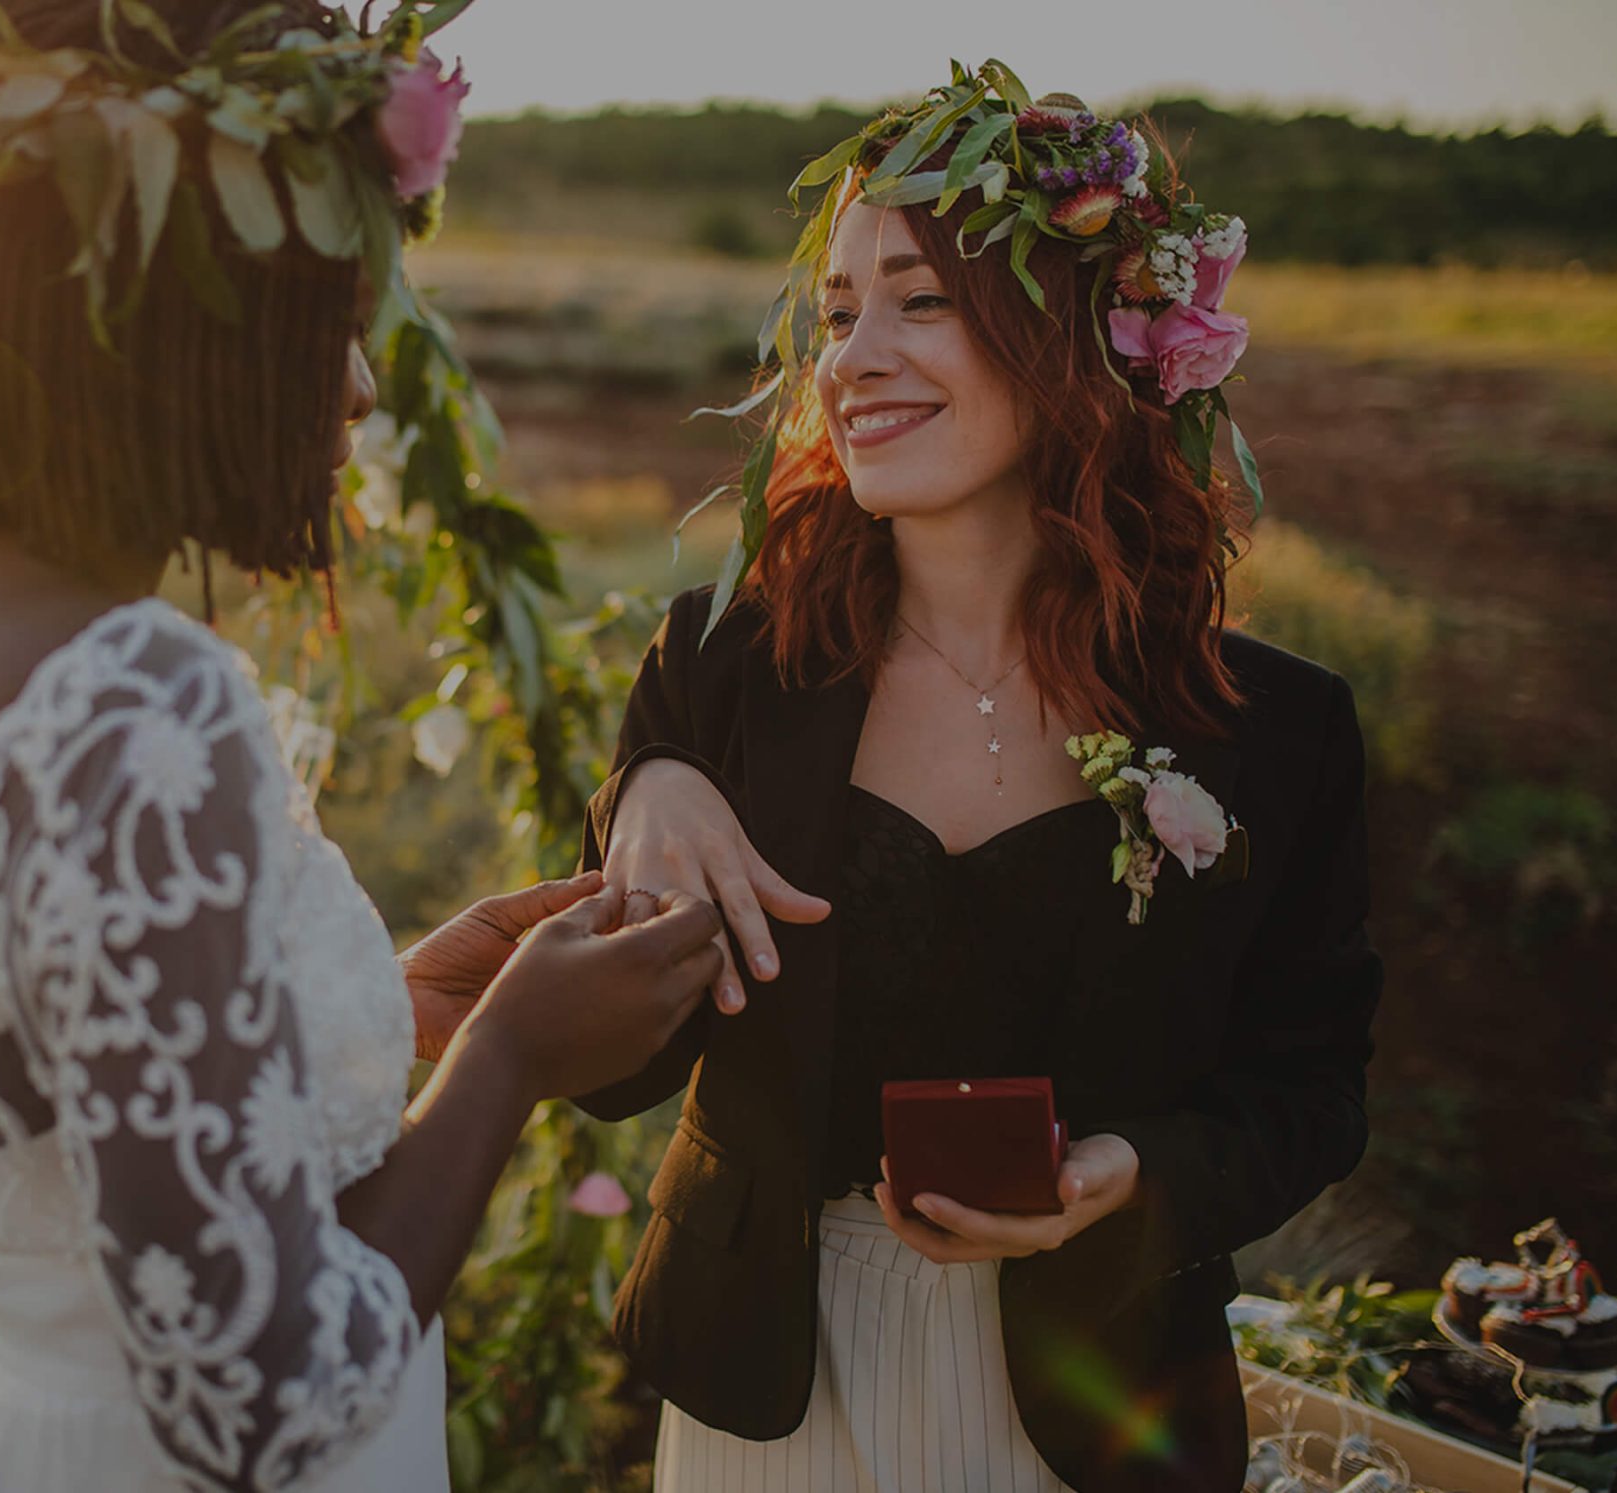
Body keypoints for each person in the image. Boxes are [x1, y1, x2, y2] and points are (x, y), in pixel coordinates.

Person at [0, 4, 724, 1490]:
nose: (360, 391)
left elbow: (78, 1071)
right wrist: (505, 1058)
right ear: (186, 313)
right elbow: (266, 1392)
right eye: (334, 328)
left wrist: (391, 1004)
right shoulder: (137, 695)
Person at [574, 74, 1383, 1493]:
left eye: (918, 302)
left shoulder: (1277, 729)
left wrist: (1129, 1175)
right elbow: (615, 1066)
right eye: (837, 312)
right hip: (775, 1389)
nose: (850, 360)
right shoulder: (723, 666)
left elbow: (1310, 1091)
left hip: (1099, 1398)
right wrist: (640, 798)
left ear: (1077, 336)